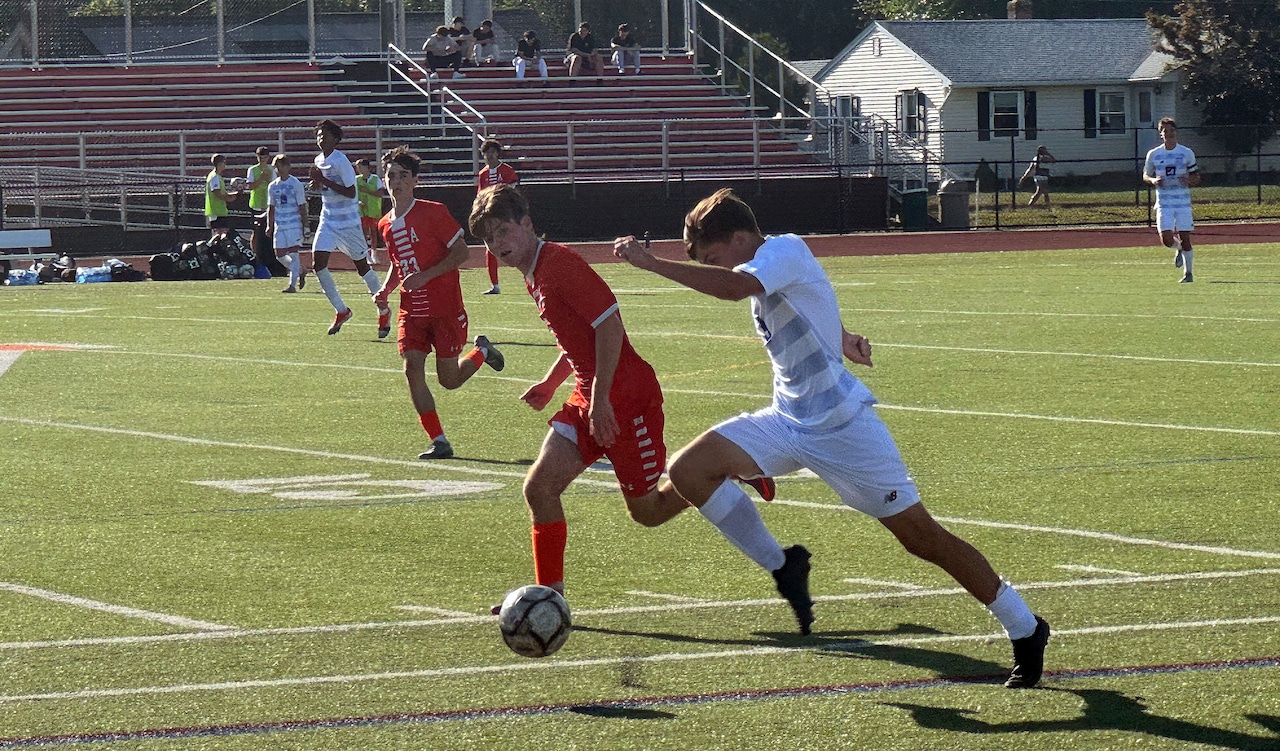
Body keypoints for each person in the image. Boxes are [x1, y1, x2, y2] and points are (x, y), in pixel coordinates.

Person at [612, 188, 1051, 689]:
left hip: (845, 430)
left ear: (740, 238)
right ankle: (782, 563)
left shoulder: (783, 249)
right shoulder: (773, 263)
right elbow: (810, 297)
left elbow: (738, 288)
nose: (716, 268)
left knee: (922, 538)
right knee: (689, 470)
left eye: (714, 257)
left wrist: (652, 263)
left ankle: (1025, 626)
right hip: (789, 421)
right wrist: (841, 334)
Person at [468, 184, 788, 618]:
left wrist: (601, 402)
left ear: (526, 224)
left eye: (504, 230)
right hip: (593, 392)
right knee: (540, 488)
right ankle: (550, 599)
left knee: (649, 512)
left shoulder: (558, 264)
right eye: (488, 238)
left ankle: (727, 469)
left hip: (625, 396)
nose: (498, 244)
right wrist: (551, 381)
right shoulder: (535, 271)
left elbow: (609, 326)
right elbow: (579, 336)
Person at [376, 146, 505, 460]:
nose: (397, 181)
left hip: (445, 309)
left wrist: (427, 275)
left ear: (415, 180)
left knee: (449, 380)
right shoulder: (384, 224)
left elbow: (461, 253)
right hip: (412, 312)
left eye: (403, 176)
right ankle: (439, 441)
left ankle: (482, 350)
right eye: (391, 175)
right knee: (411, 370)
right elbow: (398, 262)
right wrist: (386, 288)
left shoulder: (433, 212)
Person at [308, 119, 391, 336]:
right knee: (318, 263)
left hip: (348, 223)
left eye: (324, 135)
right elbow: (326, 185)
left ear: (335, 139)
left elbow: (350, 192)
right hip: (328, 220)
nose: (320, 138)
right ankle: (341, 310)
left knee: (362, 266)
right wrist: (317, 183)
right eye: (318, 135)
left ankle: (383, 308)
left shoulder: (340, 160)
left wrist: (322, 181)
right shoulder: (318, 160)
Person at [1143, 117, 1200, 283]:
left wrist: (1189, 180)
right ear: (1161, 134)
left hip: (1182, 202)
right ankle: (1179, 249)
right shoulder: (1154, 154)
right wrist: (1153, 181)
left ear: (1176, 132)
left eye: (1172, 131)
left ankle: (1188, 274)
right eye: (1165, 131)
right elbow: (1146, 175)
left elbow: (1196, 176)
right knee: (1166, 239)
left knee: (1186, 237)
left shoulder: (1186, 153)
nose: (1169, 134)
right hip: (1164, 203)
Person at [475, 138, 520, 295]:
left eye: (493, 152)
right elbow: (480, 195)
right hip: (490, 217)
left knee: (517, 246)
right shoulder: (483, 174)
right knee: (490, 249)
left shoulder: (507, 170)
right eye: (487, 153)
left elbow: (513, 190)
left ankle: (529, 276)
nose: (490, 155)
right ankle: (495, 285)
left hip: (506, 214)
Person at [266, 153, 309, 294]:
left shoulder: (295, 184)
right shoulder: (272, 186)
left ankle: (292, 285)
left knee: (293, 253)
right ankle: (300, 270)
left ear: (288, 167)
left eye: (281, 166)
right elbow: (271, 207)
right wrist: (269, 225)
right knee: (279, 255)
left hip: (293, 224)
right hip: (280, 224)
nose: (279, 170)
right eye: (277, 167)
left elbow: (302, 206)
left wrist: (305, 225)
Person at [355, 158, 387, 264]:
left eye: (361, 167)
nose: (359, 169)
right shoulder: (356, 180)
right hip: (361, 210)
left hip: (373, 209)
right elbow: (354, 194)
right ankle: (366, 254)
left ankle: (374, 253)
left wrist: (368, 191)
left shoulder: (375, 179)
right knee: (364, 232)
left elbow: (380, 193)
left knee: (373, 232)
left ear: (367, 167)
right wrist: (358, 202)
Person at [205, 153, 243, 241]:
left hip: (220, 211)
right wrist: (229, 198)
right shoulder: (214, 177)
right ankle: (211, 248)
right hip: (216, 211)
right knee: (220, 234)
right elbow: (217, 194)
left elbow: (224, 194)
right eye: (224, 163)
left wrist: (236, 194)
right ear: (219, 164)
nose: (225, 165)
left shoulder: (218, 177)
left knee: (223, 233)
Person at [247, 146, 274, 261]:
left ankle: (269, 255)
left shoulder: (272, 170)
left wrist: (267, 178)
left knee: (269, 230)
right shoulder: (252, 170)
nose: (262, 160)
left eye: (264, 157)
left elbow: (274, 185)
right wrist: (261, 178)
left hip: (268, 204)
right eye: (260, 157)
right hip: (256, 204)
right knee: (256, 232)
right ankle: (255, 255)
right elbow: (251, 186)